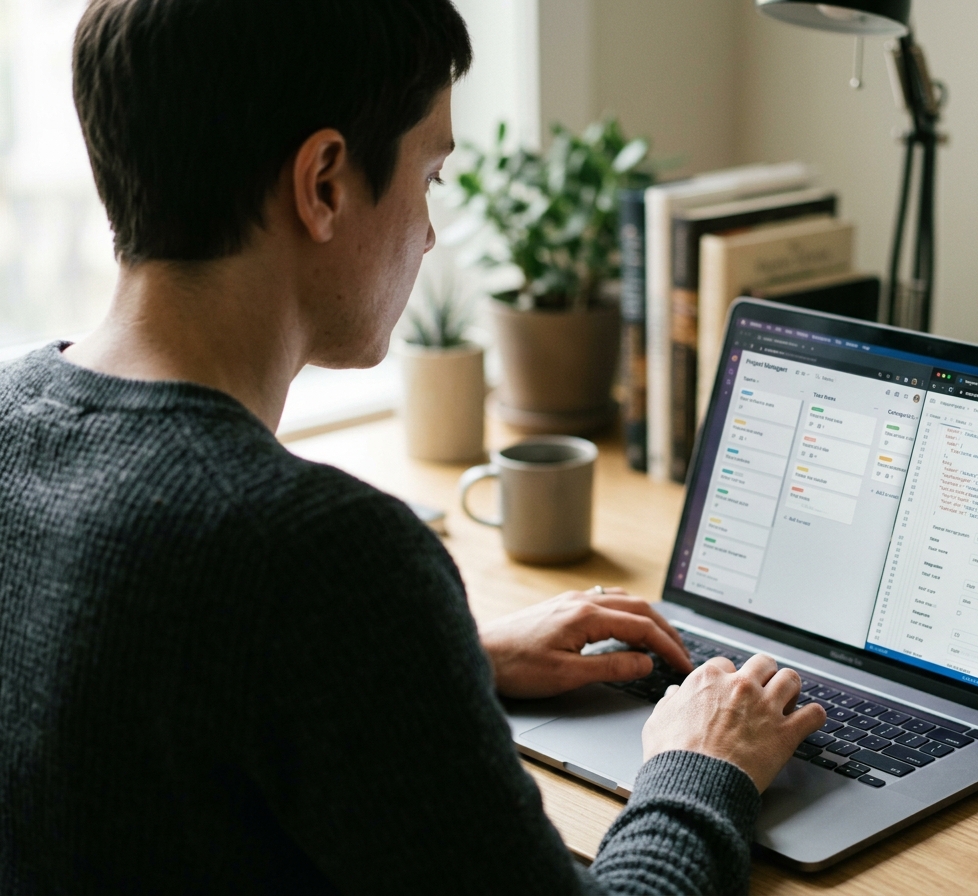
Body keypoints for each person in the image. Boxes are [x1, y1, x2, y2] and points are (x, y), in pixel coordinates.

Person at [0, 0, 826, 892]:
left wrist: (445, 662)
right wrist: (703, 765)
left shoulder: (14, 422)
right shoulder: (323, 557)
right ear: (322, 183)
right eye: (430, 179)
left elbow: (154, 698)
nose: (430, 235)